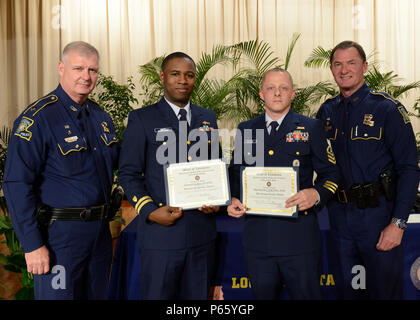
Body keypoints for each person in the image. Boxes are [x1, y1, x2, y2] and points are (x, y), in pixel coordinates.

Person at [2, 41, 120, 299]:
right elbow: (16, 184)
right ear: (61, 68)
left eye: (92, 70)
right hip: (60, 240)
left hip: (99, 236)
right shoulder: (38, 118)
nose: (86, 77)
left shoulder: (101, 117)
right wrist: (33, 245)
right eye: (78, 68)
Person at [316, 40, 419, 299]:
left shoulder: (387, 109)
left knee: (384, 293)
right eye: (337, 64)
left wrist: (398, 223)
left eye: (351, 63)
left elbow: (409, 169)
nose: (344, 70)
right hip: (339, 218)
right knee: (349, 292)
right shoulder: (326, 112)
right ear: (331, 69)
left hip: (378, 216)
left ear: (364, 67)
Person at [227, 68, 340, 299]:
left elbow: (333, 174)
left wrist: (316, 194)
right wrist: (232, 199)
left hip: (299, 241)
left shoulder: (311, 128)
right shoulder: (246, 129)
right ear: (261, 94)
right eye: (271, 88)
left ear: (293, 94)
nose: (277, 93)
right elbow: (235, 175)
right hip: (258, 240)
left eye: (283, 88)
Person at [118, 52, 222, 300]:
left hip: (201, 234)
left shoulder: (207, 118)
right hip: (160, 235)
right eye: (175, 74)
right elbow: (128, 173)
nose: (182, 80)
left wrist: (217, 199)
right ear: (163, 77)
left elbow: (216, 166)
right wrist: (150, 210)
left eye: (189, 75)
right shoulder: (142, 118)